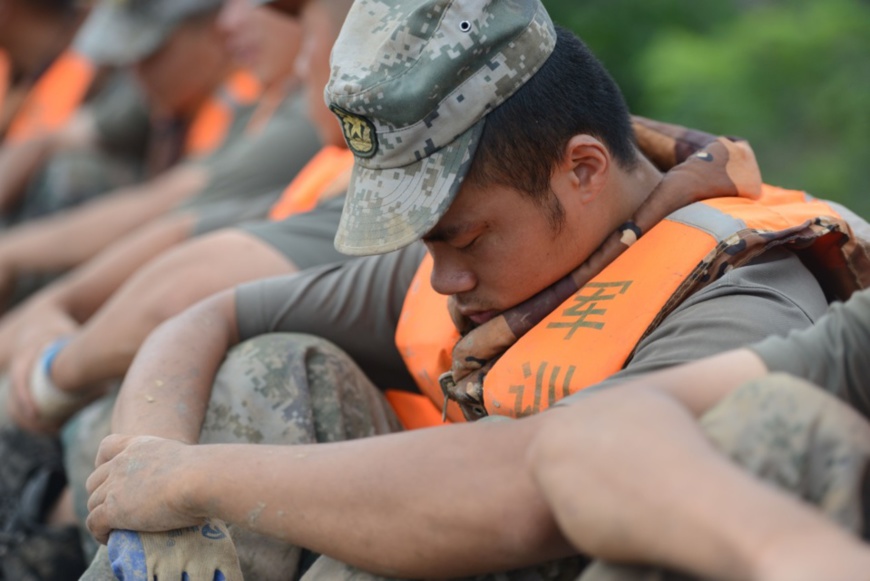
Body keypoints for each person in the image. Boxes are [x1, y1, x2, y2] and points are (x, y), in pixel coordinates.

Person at [79, 0, 870, 578]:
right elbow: (203, 313)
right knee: (269, 362)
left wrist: (194, 477)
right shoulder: (499, 258)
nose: (446, 278)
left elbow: (517, 488)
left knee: (400, 537)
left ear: (584, 170)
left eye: (465, 237)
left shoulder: (742, 300)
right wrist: (146, 467)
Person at [0, 0, 352, 436]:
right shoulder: (268, 96)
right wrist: (50, 308)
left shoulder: (306, 119)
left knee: (245, 370)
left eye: (302, 25)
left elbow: (177, 252)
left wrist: (51, 368)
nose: (229, 21)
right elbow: (184, 231)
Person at [0, 0, 251, 308]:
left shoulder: (250, 97)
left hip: (212, 266)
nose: (137, 72)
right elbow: (54, 138)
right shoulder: (161, 84)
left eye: (150, 53)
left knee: (74, 174)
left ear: (214, 32)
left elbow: (162, 204)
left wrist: (13, 253)